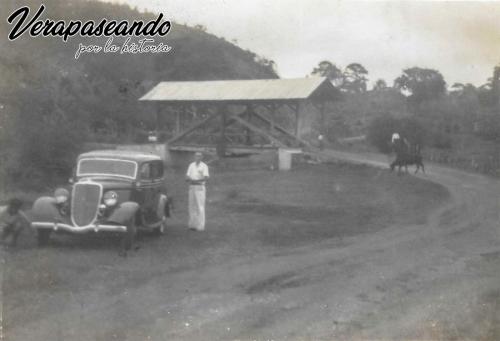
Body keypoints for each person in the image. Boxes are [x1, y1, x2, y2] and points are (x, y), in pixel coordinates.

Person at [185, 152, 209, 231]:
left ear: (202, 157)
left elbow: (206, 177)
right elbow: (187, 176)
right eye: (196, 156)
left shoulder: (204, 166)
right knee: (192, 205)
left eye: (199, 156)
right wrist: (189, 179)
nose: (197, 157)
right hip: (192, 187)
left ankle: (200, 226)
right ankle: (192, 225)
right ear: (194, 157)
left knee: (200, 206)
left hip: (200, 187)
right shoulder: (191, 165)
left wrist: (196, 181)